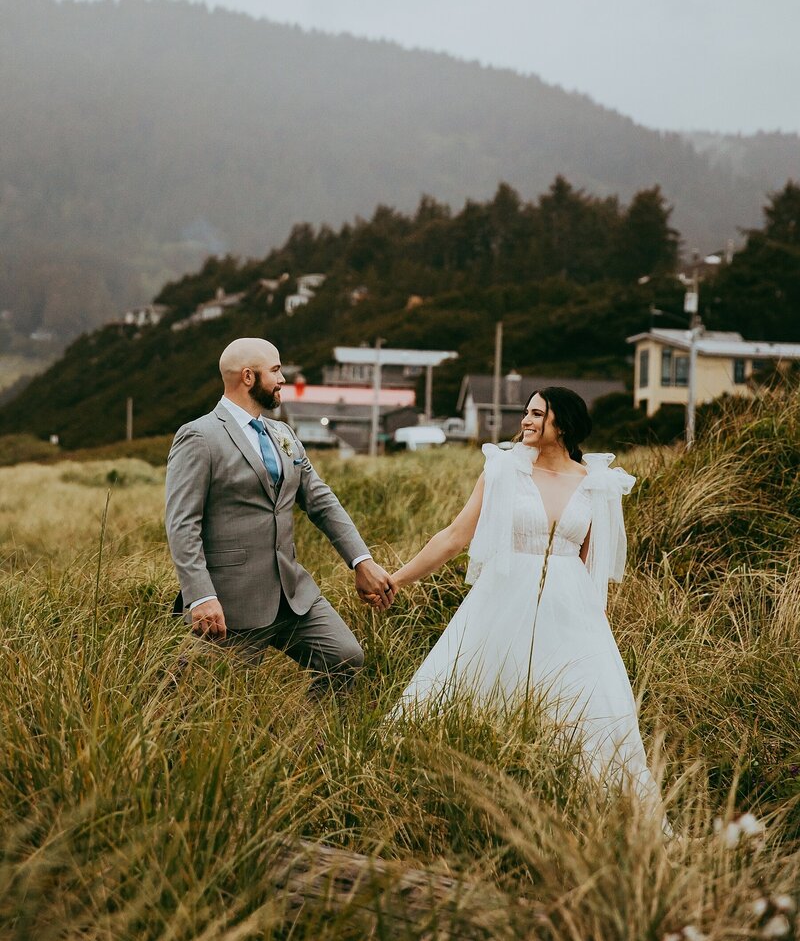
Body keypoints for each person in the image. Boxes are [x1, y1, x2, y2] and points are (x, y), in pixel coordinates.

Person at [388, 386, 663, 812]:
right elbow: (454, 538)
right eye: (526, 412)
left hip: (571, 611)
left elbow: (595, 568)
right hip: (502, 601)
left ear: (563, 425)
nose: (526, 421)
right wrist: (396, 580)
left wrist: (595, 633)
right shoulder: (502, 470)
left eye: (538, 414)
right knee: (483, 691)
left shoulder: (598, 485)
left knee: (584, 710)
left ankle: (582, 804)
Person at [165, 337, 396, 692]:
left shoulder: (283, 433)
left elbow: (320, 500)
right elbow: (182, 523)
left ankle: (310, 741)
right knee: (209, 704)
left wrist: (361, 561)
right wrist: (201, 596)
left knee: (347, 657)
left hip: (293, 596)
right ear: (247, 377)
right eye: (274, 370)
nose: (282, 378)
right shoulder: (199, 436)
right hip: (230, 604)